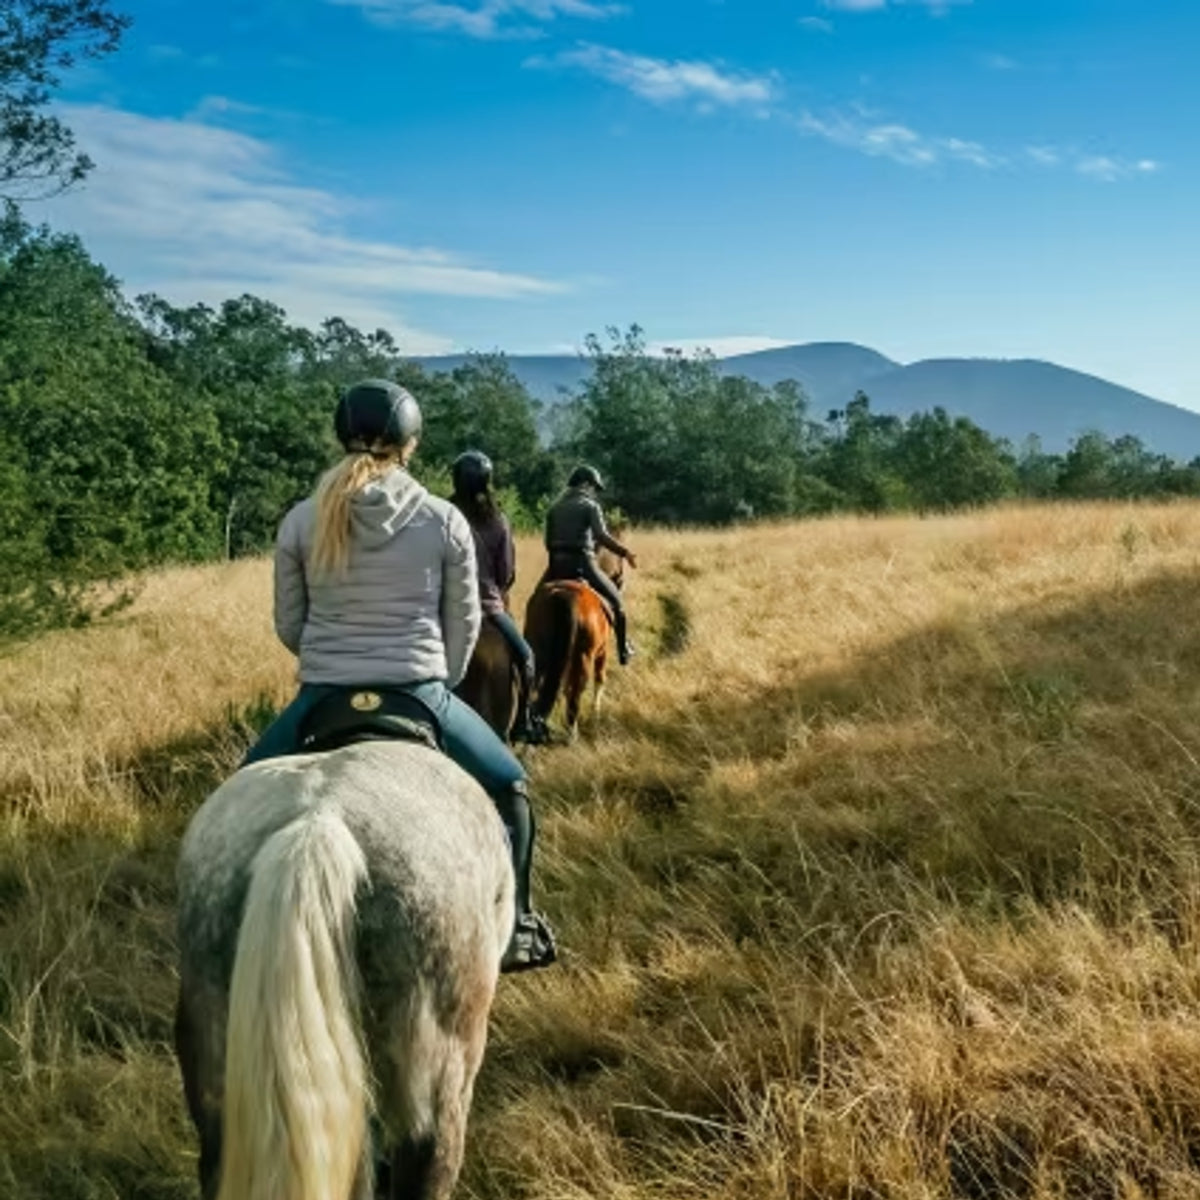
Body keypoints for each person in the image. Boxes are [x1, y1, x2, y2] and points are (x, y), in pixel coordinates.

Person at [241, 379, 556, 974]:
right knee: (511, 788)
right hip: (419, 693)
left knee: (239, 793)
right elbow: (462, 626)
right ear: (411, 444)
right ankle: (516, 927)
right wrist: (439, 680)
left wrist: (332, 658)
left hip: (322, 696)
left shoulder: (303, 521)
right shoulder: (442, 520)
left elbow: (290, 625)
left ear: (341, 436)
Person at [450, 449, 548, 745]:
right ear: (487, 480)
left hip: (448, 608)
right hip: (489, 609)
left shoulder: (442, 513)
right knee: (526, 658)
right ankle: (524, 721)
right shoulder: (498, 520)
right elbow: (506, 573)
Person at [541, 464, 638, 665]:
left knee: (535, 601)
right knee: (617, 602)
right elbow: (602, 536)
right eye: (594, 487)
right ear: (585, 484)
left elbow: (548, 542)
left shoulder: (554, 508)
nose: (594, 492)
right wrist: (625, 552)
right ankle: (623, 650)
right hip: (582, 564)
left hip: (556, 566)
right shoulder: (590, 506)